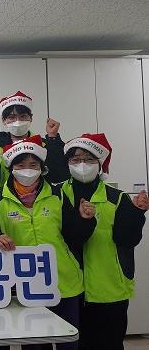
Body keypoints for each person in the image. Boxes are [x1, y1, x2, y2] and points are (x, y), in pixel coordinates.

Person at [0, 135, 96, 350]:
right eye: (21, 165)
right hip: (28, 287)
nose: (27, 170)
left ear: (42, 168)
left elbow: (75, 236)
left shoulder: (57, 194)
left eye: (33, 165)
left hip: (65, 281)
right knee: (36, 344)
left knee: (68, 343)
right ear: (11, 168)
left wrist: (85, 220)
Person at [61, 133, 148, 350]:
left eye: (89, 159)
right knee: (75, 344)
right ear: (68, 163)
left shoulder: (117, 197)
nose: (82, 164)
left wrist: (137, 214)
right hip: (69, 289)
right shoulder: (57, 194)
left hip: (109, 287)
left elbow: (128, 240)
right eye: (75, 159)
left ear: (100, 163)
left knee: (110, 343)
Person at [0, 91, 69, 190]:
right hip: (3, 196)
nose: (17, 121)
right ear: (4, 120)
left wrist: (53, 137)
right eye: (11, 117)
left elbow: (59, 175)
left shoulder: (43, 144)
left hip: (38, 196)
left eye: (23, 116)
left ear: (31, 118)